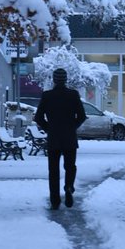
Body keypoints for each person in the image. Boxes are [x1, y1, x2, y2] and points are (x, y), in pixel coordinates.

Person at [33, 68, 87, 209]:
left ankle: (55, 200)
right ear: (66, 79)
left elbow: (38, 117)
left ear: (54, 79)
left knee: (53, 171)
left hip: (54, 138)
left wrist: (48, 128)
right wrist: (72, 127)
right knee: (70, 167)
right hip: (69, 137)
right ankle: (69, 187)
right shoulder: (73, 95)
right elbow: (82, 116)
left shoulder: (47, 96)